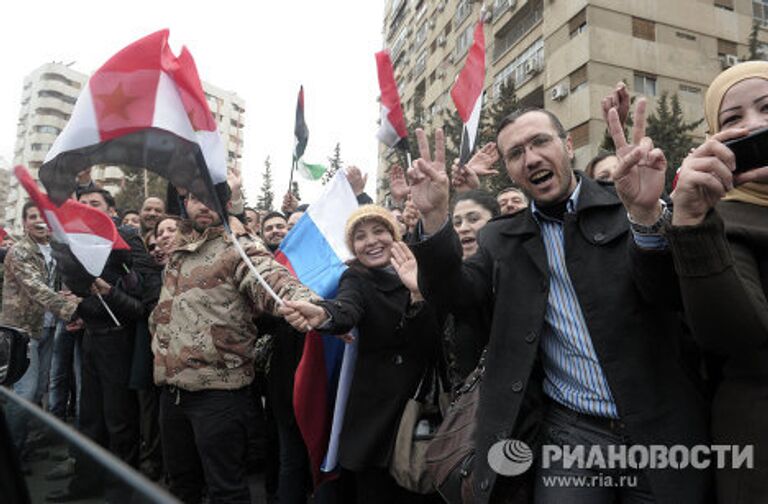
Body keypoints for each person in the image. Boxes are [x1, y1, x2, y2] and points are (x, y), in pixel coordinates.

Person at [406, 111, 710, 503]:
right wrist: (433, 220)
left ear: (568, 146)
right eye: (516, 153)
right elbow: (454, 296)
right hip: (571, 434)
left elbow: (672, 294)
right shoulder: (500, 239)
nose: (530, 158)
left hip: (661, 428)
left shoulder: (628, 205)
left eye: (540, 142)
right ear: (511, 173)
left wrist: (647, 217)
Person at [637, 61, 768, 503]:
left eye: (767, 109)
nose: (754, 126)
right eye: (732, 120)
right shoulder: (721, 221)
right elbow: (733, 334)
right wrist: (690, 220)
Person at [150, 191, 319, 504]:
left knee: (226, 491)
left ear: (226, 204)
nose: (203, 204)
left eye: (210, 197)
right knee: (181, 486)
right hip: (171, 393)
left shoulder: (238, 247)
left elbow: (272, 279)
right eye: (195, 198)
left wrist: (308, 304)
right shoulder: (177, 253)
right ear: (185, 204)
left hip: (219, 395)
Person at [280, 205, 442, 504]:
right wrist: (323, 315)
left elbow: (433, 338)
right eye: (360, 236)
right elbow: (346, 308)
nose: (371, 241)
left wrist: (418, 293)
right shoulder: (356, 278)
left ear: (395, 235)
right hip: (375, 419)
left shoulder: (426, 270)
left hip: (423, 411)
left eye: (379, 231)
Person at [47, 188, 149, 503]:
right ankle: (86, 484)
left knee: (119, 420)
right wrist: (77, 305)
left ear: (111, 211)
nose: (88, 210)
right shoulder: (74, 244)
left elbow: (138, 300)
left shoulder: (127, 240)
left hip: (118, 341)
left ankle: (120, 490)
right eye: (84, 205)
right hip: (90, 337)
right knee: (90, 418)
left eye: (95, 205)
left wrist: (104, 295)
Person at [1, 202, 79, 462]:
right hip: (22, 332)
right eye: (33, 216)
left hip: (47, 328)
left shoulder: (56, 251)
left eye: (44, 216)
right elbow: (37, 288)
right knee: (25, 393)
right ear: (24, 223)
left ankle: (24, 446)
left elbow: (61, 286)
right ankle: (11, 457)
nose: (39, 221)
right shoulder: (19, 251)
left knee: (36, 392)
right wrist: (72, 310)